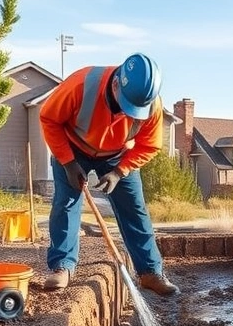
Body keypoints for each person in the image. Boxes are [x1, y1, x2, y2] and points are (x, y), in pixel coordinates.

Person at [39, 54, 178, 296]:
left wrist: (119, 171)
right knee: (66, 203)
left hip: (116, 155)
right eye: (127, 104)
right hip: (72, 147)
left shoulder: (150, 105)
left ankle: (150, 272)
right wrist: (68, 162)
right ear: (116, 84)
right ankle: (62, 266)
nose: (130, 113)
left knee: (135, 209)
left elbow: (150, 145)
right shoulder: (81, 85)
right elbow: (49, 119)